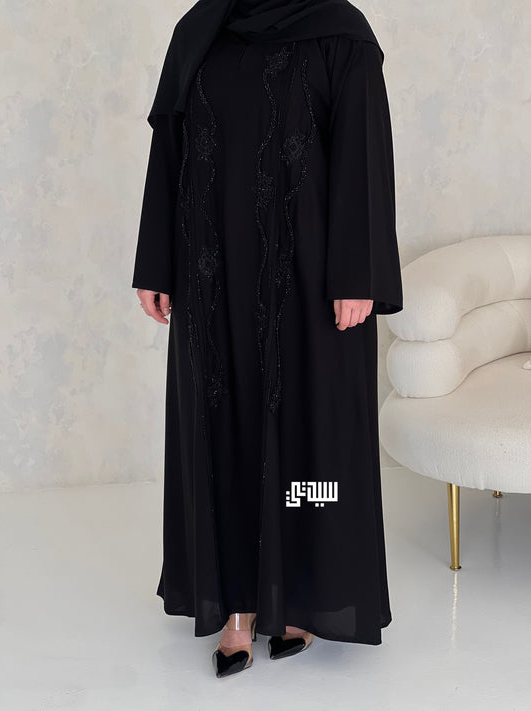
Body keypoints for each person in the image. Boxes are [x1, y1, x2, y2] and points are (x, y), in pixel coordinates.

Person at [131, 0, 403, 678]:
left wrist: (356, 275)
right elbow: (169, 150)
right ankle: (238, 605)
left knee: (310, 445)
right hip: (212, 276)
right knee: (225, 430)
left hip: (311, 280)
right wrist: (155, 264)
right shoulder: (199, 31)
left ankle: (301, 592)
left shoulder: (339, 34)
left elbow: (363, 154)